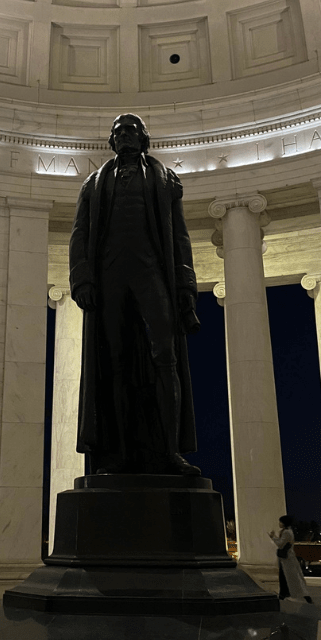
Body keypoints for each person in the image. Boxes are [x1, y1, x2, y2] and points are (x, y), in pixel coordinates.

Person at [69, 113, 201, 476]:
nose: (124, 135)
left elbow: (180, 236)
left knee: (166, 356)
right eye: (118, 132)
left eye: (131, 130)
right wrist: (82, 279)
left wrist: (186, 284)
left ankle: (170, 451)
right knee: (114, 364)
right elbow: (79, 234)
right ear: (111, 142)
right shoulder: (93, 184)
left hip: (151, 273)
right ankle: (118, 455)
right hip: (110, 277)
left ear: (144, 139)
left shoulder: (165, 180)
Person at [268, 514, 313, 603]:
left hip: (287, 559)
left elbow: (281, 544)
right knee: (286, 577)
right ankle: (284, 594)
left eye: (280, 522)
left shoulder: (286, 532)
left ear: (284, 523)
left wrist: (273, 537)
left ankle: (304, 596)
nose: (279, 523)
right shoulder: (288, 531)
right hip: (287, 558)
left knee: (289, 577)